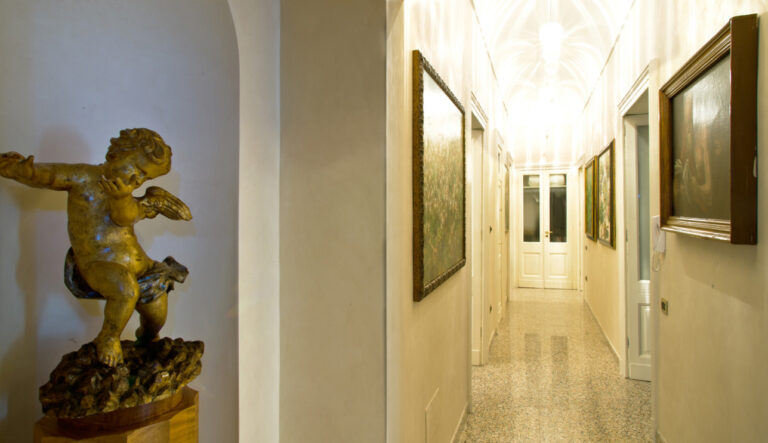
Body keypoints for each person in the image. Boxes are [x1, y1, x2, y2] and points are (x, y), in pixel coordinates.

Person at [0, 128, 191, 367]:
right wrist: (23, 171)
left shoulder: (127, 198)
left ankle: (148, 336)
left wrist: (122, 198)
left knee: (157, 315)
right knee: (125, 290)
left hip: (143, 268)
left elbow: (125, 217)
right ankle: (109, 337)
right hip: (98, 264)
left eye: (145, 178)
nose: (138, 181)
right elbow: (50, 176)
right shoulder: (83, 177)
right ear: (116, 155)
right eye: (137, 170)